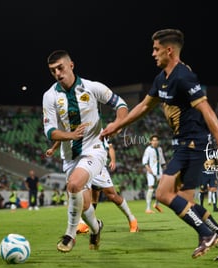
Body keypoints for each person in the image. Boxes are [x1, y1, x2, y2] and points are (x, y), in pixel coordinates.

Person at [101, 29, 218, 261]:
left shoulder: (183, 76)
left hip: (192, 144)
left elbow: (206, 109)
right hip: (183, 145)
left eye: (156, 49)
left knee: (163, 194)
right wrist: (118, 125)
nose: (152, 53)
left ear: (169, 50)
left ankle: (206, 235)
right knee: (186, 202)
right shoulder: (162, 78)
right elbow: (145, 106)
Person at [42, 50, 128, 253]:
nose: (57, 73)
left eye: (60, 68)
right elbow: (49, 131)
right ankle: (96, 228)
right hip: (70, 156)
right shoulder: (50, 96)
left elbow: (120, 104)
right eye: (53, 70)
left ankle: (70, 235)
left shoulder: (92, 87)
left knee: (73, 185)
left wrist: (118, 123)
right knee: (85, 205)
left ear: (71, 65)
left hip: (94, 150)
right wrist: (69, 136)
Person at [46, 138, 139, 233]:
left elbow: (109, 146)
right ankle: (82, 224)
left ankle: (131, 219)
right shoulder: (69, 124)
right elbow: (63, 134)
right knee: (75, 194)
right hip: (73, 162)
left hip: (93, 161)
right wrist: (53, 148)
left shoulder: (93, 126)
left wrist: (113, 160)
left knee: (111, 195)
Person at [142, 134, 166, 214]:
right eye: (153, 140)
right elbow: (145, 161)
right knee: (151, 188)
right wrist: (149, 170)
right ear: (151, 141)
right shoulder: (148, 149)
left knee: (161, 189)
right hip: (151, 172)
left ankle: (156, 204)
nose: (155, 142)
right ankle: (147, 208)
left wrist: (165, 169)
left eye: (156, 140)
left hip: (159, 171)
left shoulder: (159, 149)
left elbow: (162, 161)